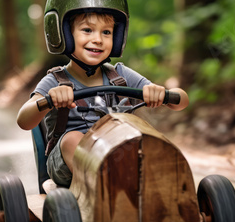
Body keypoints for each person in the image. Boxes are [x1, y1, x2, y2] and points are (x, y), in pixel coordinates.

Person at [17, 0, 189, 189]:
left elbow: (181, 101)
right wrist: (49, 100)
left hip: (119, 153)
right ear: (63, 34)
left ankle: (162, 187)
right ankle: (111, 189)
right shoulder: (55, 81)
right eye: (87, 30)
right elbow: (24, 121)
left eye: (106, 32)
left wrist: (159, 92)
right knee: (72, 139)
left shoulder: (120, 75)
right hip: (68, 164)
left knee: (148, 138)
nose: (98, 39)